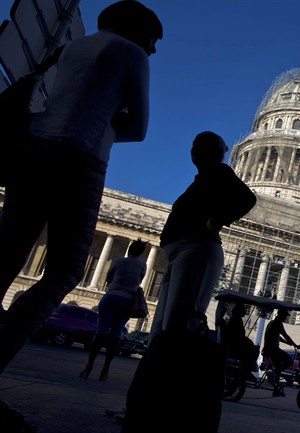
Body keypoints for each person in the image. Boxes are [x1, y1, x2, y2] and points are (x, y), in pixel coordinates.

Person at [0, 0, 162, 375]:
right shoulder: (131, 52)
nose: (153, 48)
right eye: (152, 38)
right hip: (81, 157)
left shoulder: (69, 47)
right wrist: (102, 126)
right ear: (136, 30)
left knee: (6, 252)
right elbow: (138, 129)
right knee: (66, 270)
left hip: (33, 147)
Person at [148, 131, 256, 342]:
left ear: (211, 152)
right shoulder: (202, 179)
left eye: (199, 146)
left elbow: (247, 198)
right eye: (194, 146)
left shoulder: (220, 171)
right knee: (162, 322)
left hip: (195, 248)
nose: (194, 151)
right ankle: (153, 365)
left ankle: (167, 369)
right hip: (178, 252)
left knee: (181, 319)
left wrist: (217, 221)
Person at [80, 239, 147, 381]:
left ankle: (90, 364)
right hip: (127, 301)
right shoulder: (142, 265)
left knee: (100, 332)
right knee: (116, 334)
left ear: (129, 249)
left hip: (111, 296)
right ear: (141, 252)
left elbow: (108, 278)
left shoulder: (119, 260)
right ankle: (106, 367)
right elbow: (140, 280)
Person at [262, 308, 300, 397]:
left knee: (279, 367)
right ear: (281, 315)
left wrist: (289, 343)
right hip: (273, 350)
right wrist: (295, 345)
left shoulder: (272, 323)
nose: (285, 318)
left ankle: (276, 389)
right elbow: (285, 335)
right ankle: (273, 374)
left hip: (270, 350)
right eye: (285, 316)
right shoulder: (278, 323)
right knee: (289, 361)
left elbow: (278, 337)